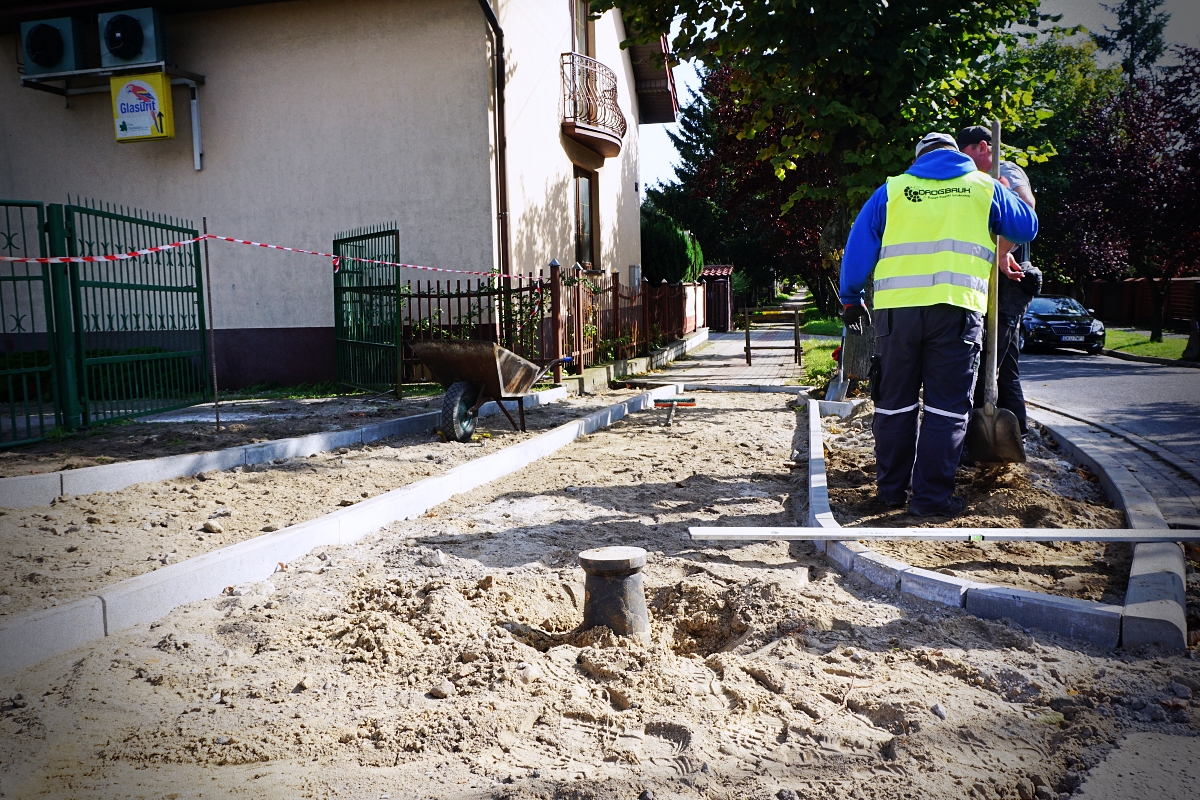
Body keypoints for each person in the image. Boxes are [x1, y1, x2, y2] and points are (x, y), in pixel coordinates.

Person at [839, 131, 1038, 516]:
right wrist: (1004, 191)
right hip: (957, 313)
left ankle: (892, 492)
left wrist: (851, 297)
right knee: (946, 409)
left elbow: (859, 244)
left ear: (918, 158)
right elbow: (1026, 227)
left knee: (894, 405)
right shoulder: (984, 188)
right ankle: (930, 499)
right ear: (955, 153)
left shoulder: (893, 190)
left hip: (898, 314)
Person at [957, 125, 1043, 436]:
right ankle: (1015, 433)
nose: (961, 161)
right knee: (1005, 364)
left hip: (1012, 279)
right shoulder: (977, 180)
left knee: (988, 363)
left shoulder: (1005, 170)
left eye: (964, 153)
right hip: (1000, 278)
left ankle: (978, 438)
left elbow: (1026, 206)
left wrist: (1001, 252)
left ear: (982, 147)